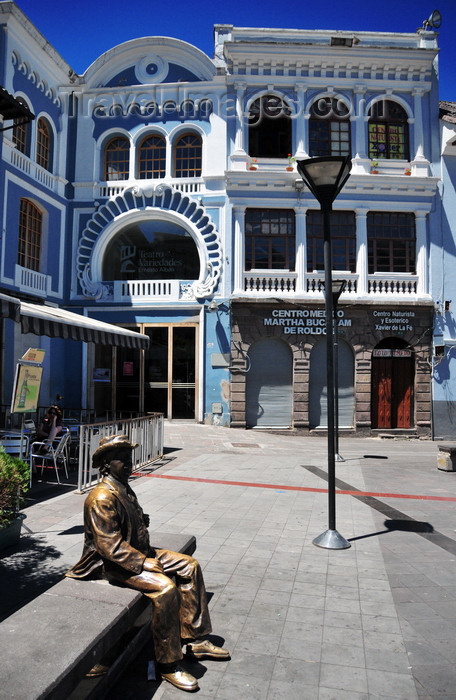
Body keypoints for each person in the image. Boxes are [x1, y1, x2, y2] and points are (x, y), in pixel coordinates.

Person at [66, 434, 229, 692]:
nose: (129, 464)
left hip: (139, 551)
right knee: (165, 590)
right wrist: (142, 562)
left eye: (130, 458)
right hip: (113, 564)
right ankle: (169, 664)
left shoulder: (122, 487)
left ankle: (195, 639)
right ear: (107, 464)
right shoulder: (101, 497)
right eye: (122, 459)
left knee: (190, 565)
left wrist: (141, 524)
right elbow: (108, 546)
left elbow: (127, 525)